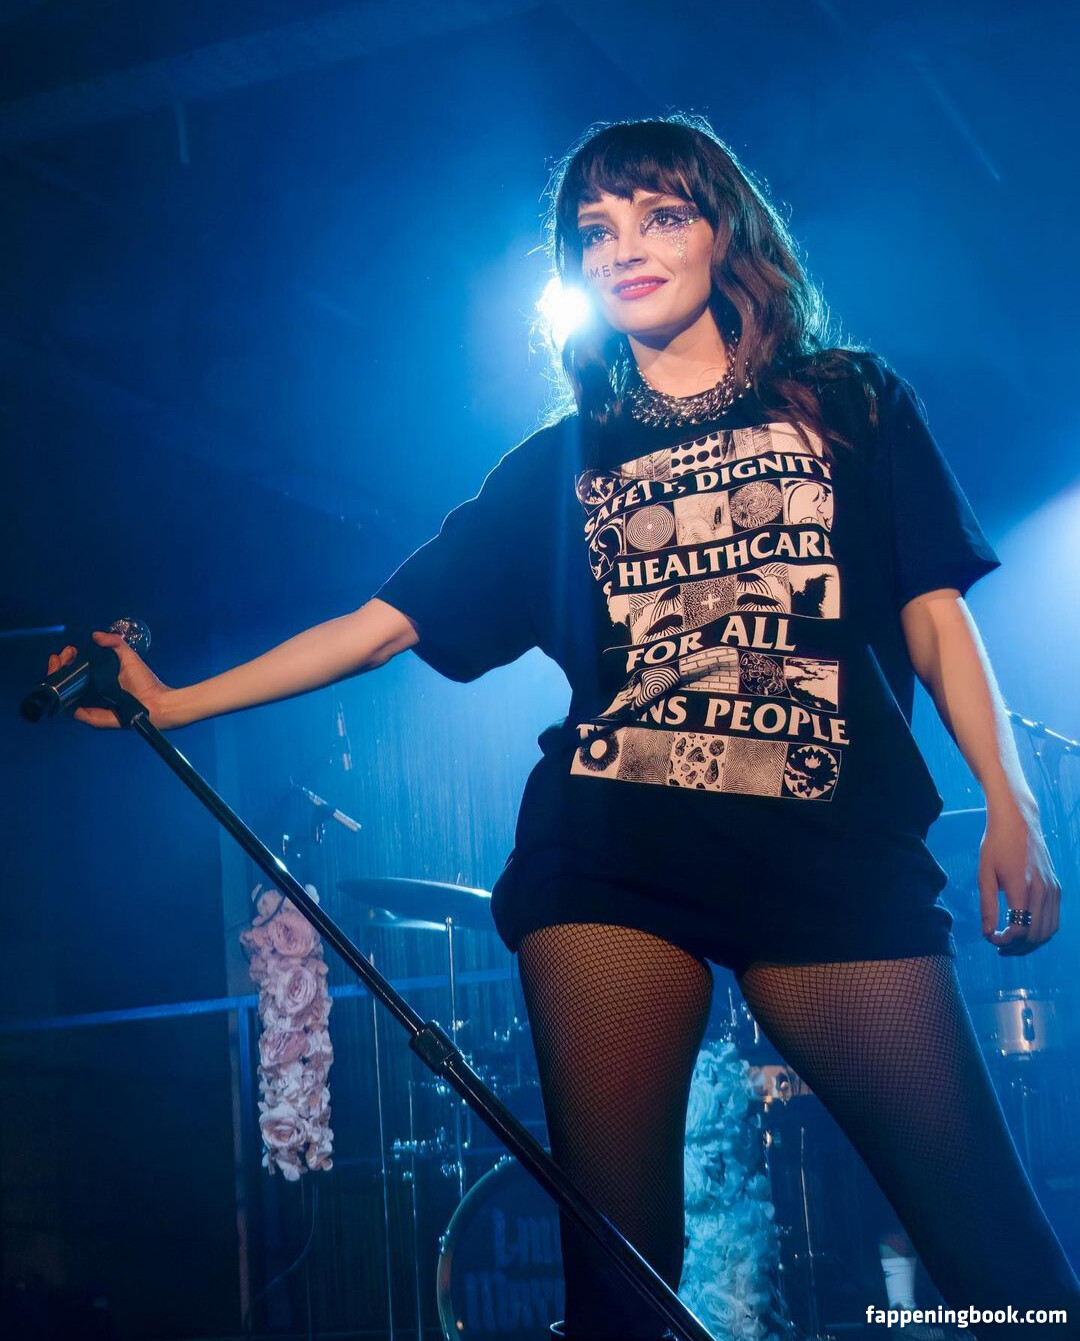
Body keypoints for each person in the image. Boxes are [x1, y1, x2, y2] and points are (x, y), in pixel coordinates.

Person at [49, 115, 1079, 1340]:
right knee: (621, 1286)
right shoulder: (560, 465)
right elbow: (378, 627)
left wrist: (1010, 802)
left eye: (661, 216)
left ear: (724, 235)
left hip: (829, 855)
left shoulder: (848, 401)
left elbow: (932, 613)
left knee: (1004, 1267)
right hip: (611, 862)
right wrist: (172, 703)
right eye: (595, 231)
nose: (623, 248)